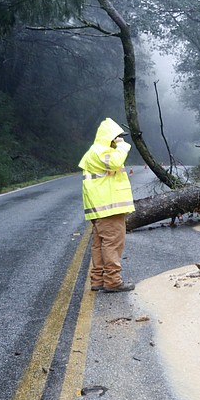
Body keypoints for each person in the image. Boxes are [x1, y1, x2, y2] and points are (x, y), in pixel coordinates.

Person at [79, 118, 136, 292]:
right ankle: (112, 281)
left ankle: (98, 279)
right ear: (110, 137)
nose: (120, 140)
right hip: (109, 207)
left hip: (100, 207)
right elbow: (116, 162)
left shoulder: (95, 151)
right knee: (113, 244)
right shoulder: (102, 151)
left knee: (99, 245)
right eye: (118, 137)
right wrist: (123, 146)